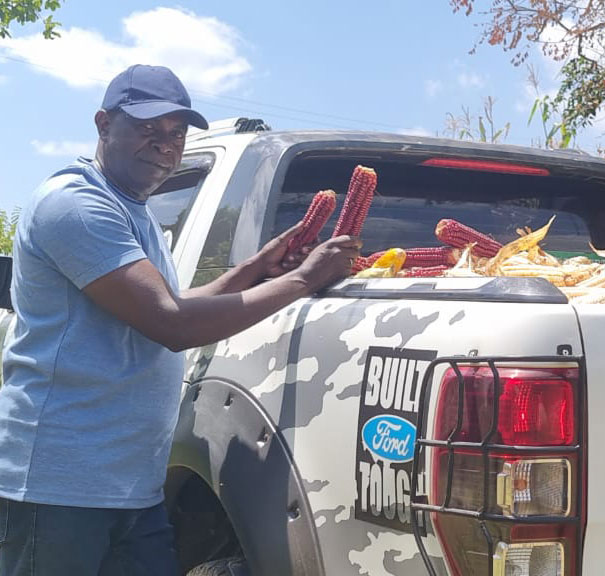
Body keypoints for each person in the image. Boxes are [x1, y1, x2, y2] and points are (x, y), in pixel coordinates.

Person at [0, 64, 361, 575]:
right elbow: (170, 323)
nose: (165, 144)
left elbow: (172, 301)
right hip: (60, 485)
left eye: (176, 133)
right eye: (147, 128)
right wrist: (303, 281)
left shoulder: (135, 210)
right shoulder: (76, 204)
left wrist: (257, 269)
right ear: (104, 124)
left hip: (130, 485)